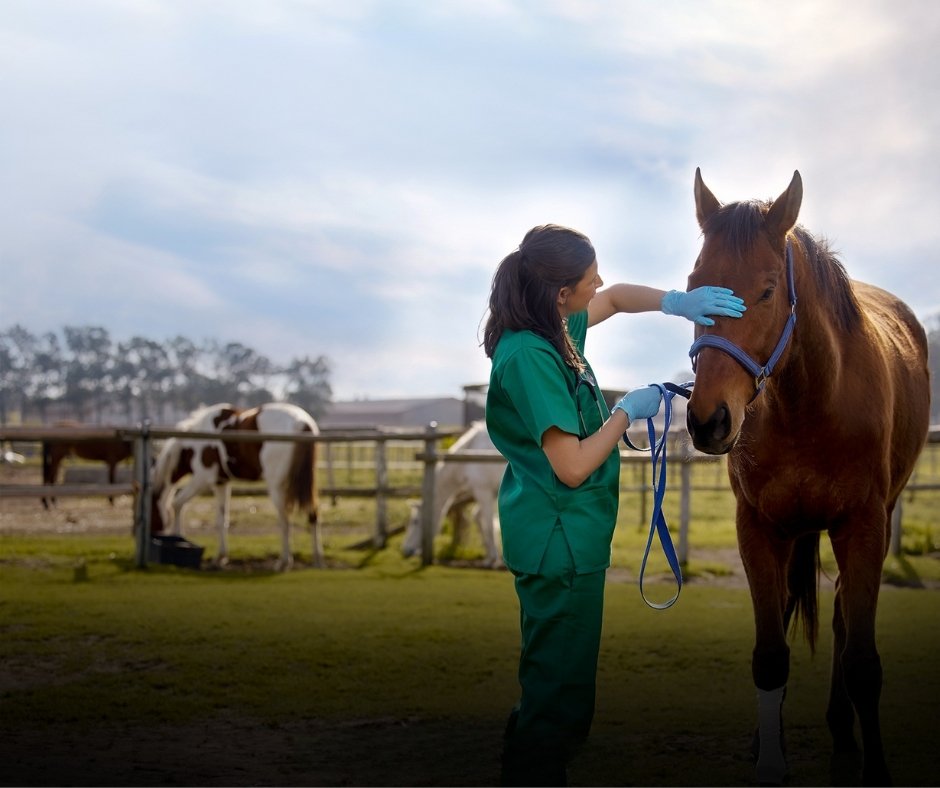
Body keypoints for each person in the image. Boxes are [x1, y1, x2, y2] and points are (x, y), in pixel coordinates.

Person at [482, 223, 745, 786]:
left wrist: (678, 302)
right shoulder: (530, 353)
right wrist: (625, 412)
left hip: (568, 538)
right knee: (560, 698)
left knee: (554, 684)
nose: (597, 282)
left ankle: (525, 763)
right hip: (560, 541)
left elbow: (620, 297)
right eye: (587, 278)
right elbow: (572, 465)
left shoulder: (551, 326)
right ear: (559, 292)